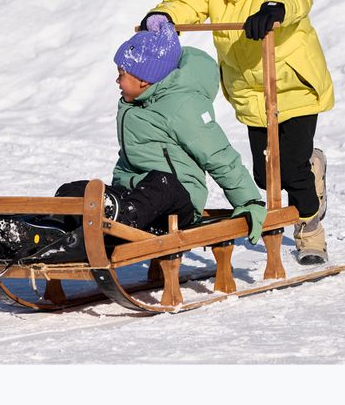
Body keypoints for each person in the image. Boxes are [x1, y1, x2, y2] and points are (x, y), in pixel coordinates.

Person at [139, 0, 334, 264]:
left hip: (292, 85)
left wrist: (275, 9)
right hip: (250, 91)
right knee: (265, 176)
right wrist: (164, 15)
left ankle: (310, 233)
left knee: (292, 171)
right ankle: (309, 170)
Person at [55, 21, 266, 244]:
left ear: (144, 79)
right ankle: (47, 228)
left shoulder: (182, 106)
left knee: (162, 182)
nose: (117, 81)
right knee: (76, 190)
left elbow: (218, 155)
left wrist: (249, 201)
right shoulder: (133, 106)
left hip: (177, 201)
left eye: (121, 74)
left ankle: (116, 221)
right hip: (135, 196)